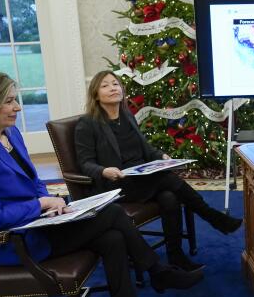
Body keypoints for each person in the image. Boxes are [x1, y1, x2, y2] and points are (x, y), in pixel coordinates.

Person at [0, 69, 200, 297]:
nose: (18, 107)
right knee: (113, 213)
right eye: (9, 101)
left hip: (43, 224)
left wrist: (54, 202)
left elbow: (33, 181)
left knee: (113, 238)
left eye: (15, 99)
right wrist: (40, 204)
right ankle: (158, 271)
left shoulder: (11, 136)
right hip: (21, 241)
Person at [74, 71, 243, 275]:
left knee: (169, 197)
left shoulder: (127, 117)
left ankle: (175, 255)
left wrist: (162, 156)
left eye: (115, 84)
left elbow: (146, 149)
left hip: (141, 179)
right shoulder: (88, 124)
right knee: (166, 179)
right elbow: (85, 163)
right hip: (117, 183)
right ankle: (213, 217)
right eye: (105, 85)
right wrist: (104, 171)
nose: (113, 88)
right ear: (95, 94)